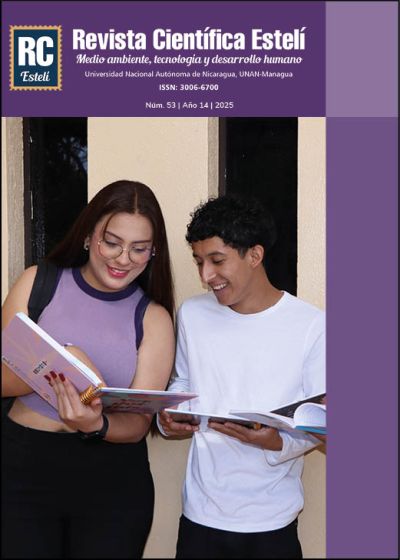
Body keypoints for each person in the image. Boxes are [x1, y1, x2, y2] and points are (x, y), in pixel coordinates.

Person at [1, 180, 175, 559]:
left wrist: (95, 423)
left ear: (153, 253)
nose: (123, 258)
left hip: (111, 480)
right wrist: (61, 362)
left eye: (139, 248)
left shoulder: (155, 318)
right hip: (21, 468)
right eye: (111, 242)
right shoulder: (37, 282)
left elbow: (137, 424)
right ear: (87, 236)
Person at [159, 194, 325, 559]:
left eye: (217, 260)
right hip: (200, 514)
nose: (206, 276)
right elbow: (183, 382)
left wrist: (277, 443)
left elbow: (319, 421)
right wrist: (169, 417)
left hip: (273, 520)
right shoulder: (192, 314)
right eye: (199, 262)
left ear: (254, 255)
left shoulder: (311, 325)